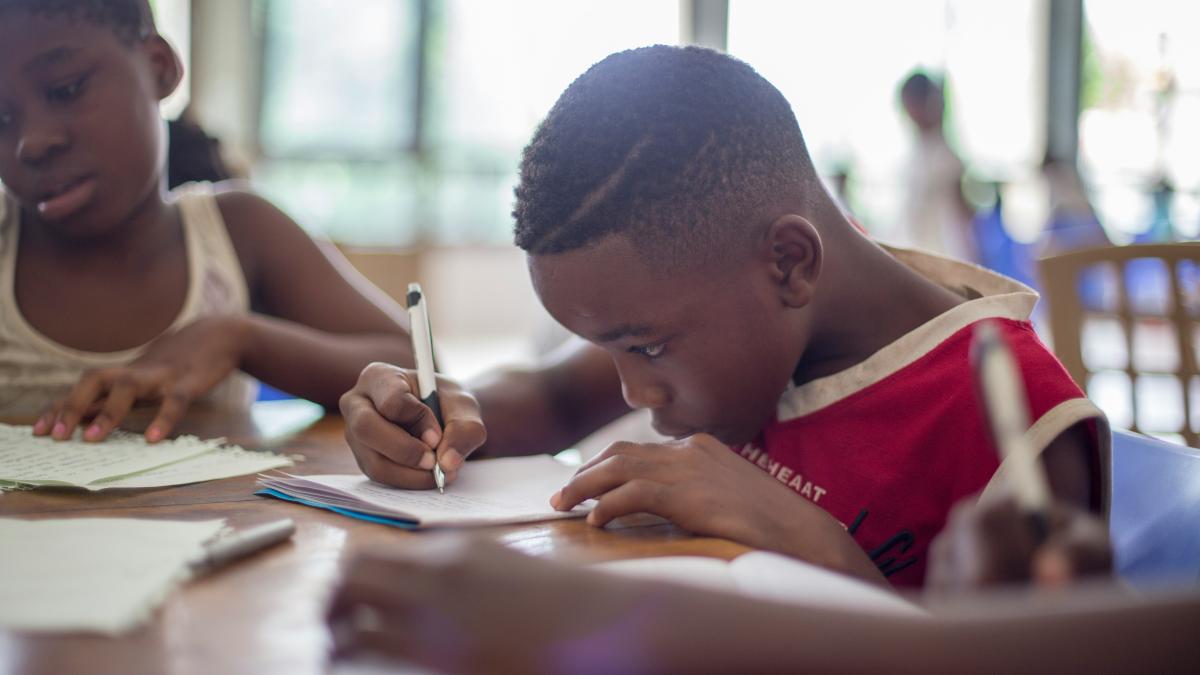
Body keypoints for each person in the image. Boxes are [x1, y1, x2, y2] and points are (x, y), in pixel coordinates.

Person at [339, 45, 1109, 588]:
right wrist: (440, 412)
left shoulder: (1018, 423)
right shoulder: (741, 309)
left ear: (788, 263)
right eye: (611, 352)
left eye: (645, 346)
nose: (634, 392)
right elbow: (553, 397)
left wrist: (818, 546)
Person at [0, 0, 412, 441]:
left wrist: (239, 340)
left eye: (65, 89)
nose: (32, 143)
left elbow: (419, 371)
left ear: (159, 68)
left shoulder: (239, 232)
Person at [898, 70, 978, 263]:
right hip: (919, 253)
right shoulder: (917, 152)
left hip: (945, 256)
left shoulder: (945, 155)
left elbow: (962, 217)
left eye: (912, 104)